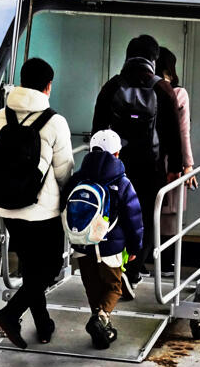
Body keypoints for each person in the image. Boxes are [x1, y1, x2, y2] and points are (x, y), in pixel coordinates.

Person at [0, 58, 74, 349]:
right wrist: (69, 206)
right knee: (50, 266)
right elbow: (64, 170)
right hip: (44, 211)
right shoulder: (55, 121)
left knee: (32, 269)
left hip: (8, 207)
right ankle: (10, 313)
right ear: (48, 86)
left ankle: (43, 326)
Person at [91, 34, 180, 297]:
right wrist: (175, 167)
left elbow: (97, 129)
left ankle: (114, 269)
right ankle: (134, 271)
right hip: (151, 171)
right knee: (145, 221)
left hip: (115, 169)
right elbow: (173, 134)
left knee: (115, 217)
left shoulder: (112, 86)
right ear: (154, 59)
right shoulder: (162, 89)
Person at [60, 129, 143, 349]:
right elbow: (133, 218)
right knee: (114, 287)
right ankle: (101, 318)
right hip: (110, 247)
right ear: (117, 154)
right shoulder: (122, 182)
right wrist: (135, 246)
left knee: (93, 288)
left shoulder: (78, 177)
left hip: (82, 244)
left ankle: (100, 322)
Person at [155, 46, 197, 273]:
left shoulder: (137, 89)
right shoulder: (178, 93)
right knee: (169, 213)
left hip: (143, 160)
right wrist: (188, 164)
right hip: (170, 161)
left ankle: (137, 263)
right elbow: (183, 133)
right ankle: (167, 264)